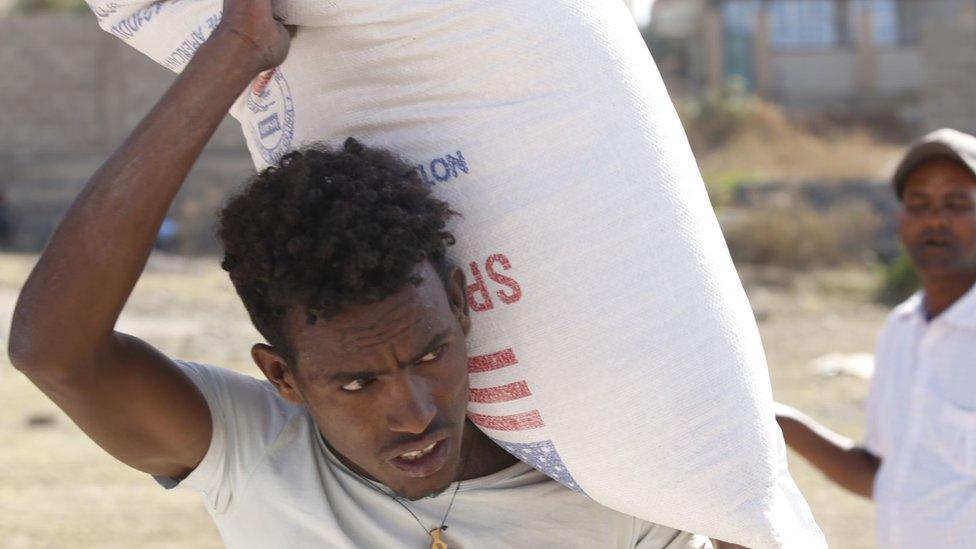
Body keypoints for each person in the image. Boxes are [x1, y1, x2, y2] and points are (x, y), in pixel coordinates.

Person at [7, 0, 710, 547]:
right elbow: (54, 351)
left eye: (430, 353)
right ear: (283, 377)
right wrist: (232, 56)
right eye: (356, 382)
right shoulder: (258, 453)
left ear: (463, 306)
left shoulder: (608, 486)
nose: (414, 412)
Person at [776, 128, 976, 548]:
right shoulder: (900, 330)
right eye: (918, 203)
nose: (935, 219)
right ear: (900, 221)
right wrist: (779, 421)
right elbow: (885, 475)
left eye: (958, 203)